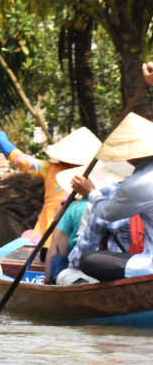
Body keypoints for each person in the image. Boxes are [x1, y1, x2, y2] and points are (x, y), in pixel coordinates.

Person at [60, 112, 153, 283]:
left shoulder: (135, 184)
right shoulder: (133, 183)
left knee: (89, 260)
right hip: (141, 255)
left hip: (149, 266)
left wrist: (91, 193)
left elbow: (106, 214)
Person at [0, 125, 101, 238]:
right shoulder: (99, 176)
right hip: (77, 237)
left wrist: (3, 143)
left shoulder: (51, 169)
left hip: (46, 236)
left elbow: (21, 160)